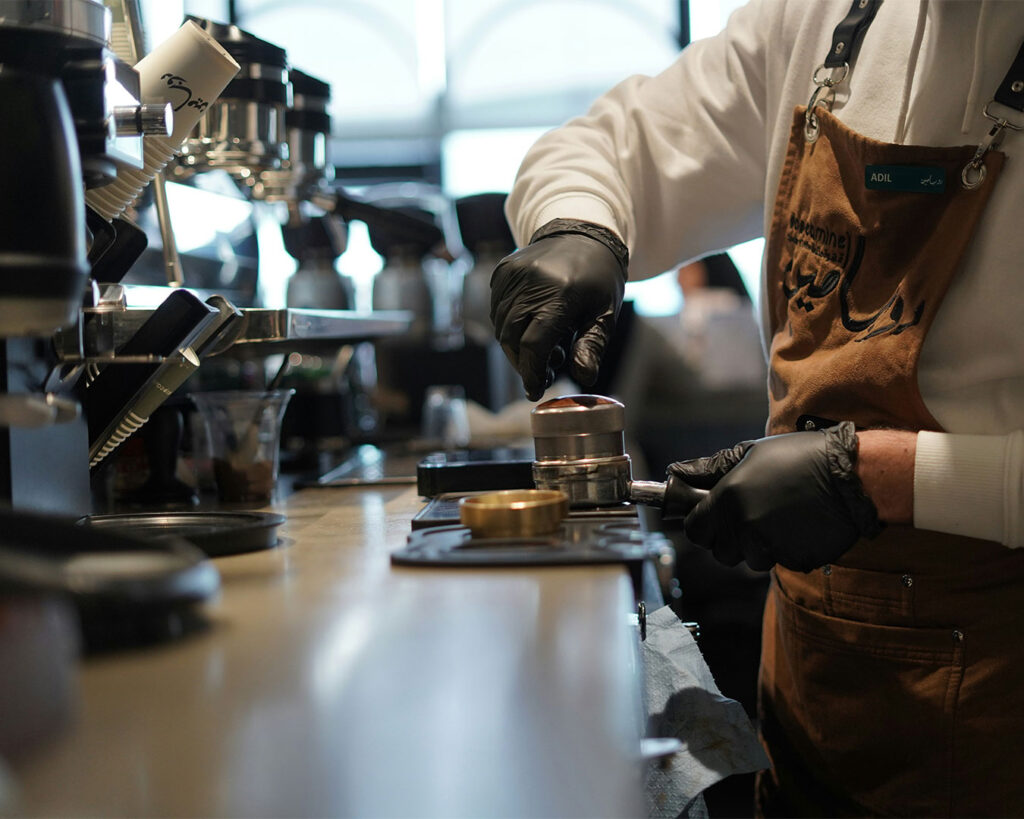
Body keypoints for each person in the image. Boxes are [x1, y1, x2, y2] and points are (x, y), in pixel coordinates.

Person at [489, 1, 1024, 816]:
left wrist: (886, 477)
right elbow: (602, 147)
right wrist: (579, 227)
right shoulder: (822, 19)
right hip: (812, 670)